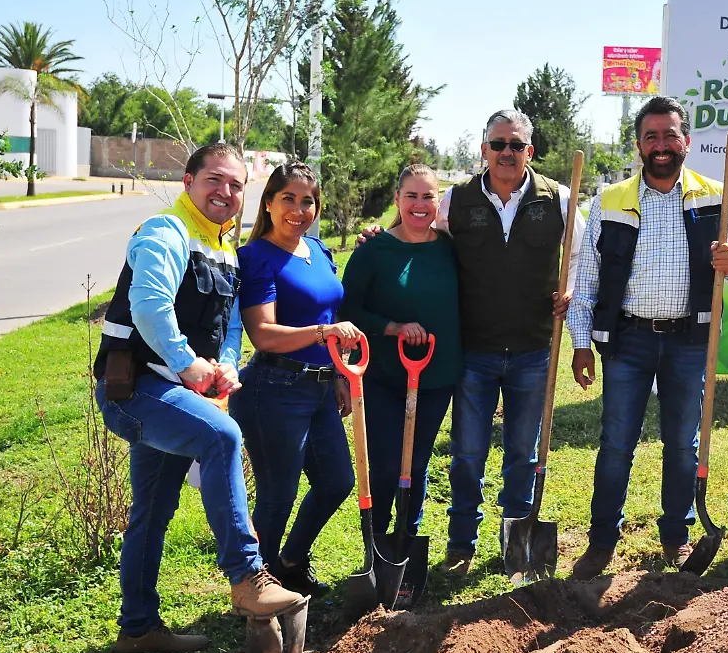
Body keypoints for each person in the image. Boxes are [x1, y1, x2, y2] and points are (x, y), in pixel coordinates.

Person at [94, 144, 305, 653]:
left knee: (152, 509)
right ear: (187, 181)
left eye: (236, 185)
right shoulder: (165, 233)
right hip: (135, 390)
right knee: (222, 436)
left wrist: (227, 363)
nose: (226, 192)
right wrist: (190, 366)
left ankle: (138, 627)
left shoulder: (224, 250)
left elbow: (228, 325)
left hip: (173, 393)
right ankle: (247, 576)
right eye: (215, 180)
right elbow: (149, 308)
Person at [357, 109, 584, 576]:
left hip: (533, 348)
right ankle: (462, 544)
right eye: (498, 144)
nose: (507, 153)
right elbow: (417, 225)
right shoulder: (457, 200)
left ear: (530, 151)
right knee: (467, 454)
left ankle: (516, 545)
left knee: (523, 452)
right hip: (474, 351)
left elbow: (583, 252)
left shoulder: (559, 198)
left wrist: (573, 290)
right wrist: (380, 235)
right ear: (484, 150)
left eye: (516, 145)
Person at [566, 96, 728, 580]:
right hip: (628, 339)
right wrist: (582, 342)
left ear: (686, 141)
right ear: (639, 145)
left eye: (671, 135)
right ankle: (602, 540)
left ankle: (675, 535)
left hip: (689, 341)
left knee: (681, 443)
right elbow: (586, 278)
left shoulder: (717, 195)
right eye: (651, 136)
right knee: (616, 443)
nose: (661, 145)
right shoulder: (610, 201)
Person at [229, 163, 361, 600]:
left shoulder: (318, 250)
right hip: (275, 390)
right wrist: (325, 335)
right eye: (289, 198)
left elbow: (327, 314)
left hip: (322, 387)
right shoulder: (256, 258)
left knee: (337, 481)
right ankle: (255, 589)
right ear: (268, 203)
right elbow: (263, 334)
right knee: (277, 494)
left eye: (308, 201)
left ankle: (290, 562)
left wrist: (338, 373)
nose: (299, 209)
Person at [340, 164, 461, 541]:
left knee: (417, 461)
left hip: (437, 375)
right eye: (411, 196)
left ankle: (407, 537)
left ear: (438, 202)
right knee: (387, 463)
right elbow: (349, 311)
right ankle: (375, 542)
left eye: (428, 196)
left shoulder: (450, 248)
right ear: (397, 199)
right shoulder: (374, 250)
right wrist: (392, 328)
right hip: (384, 376)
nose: (420, 205)